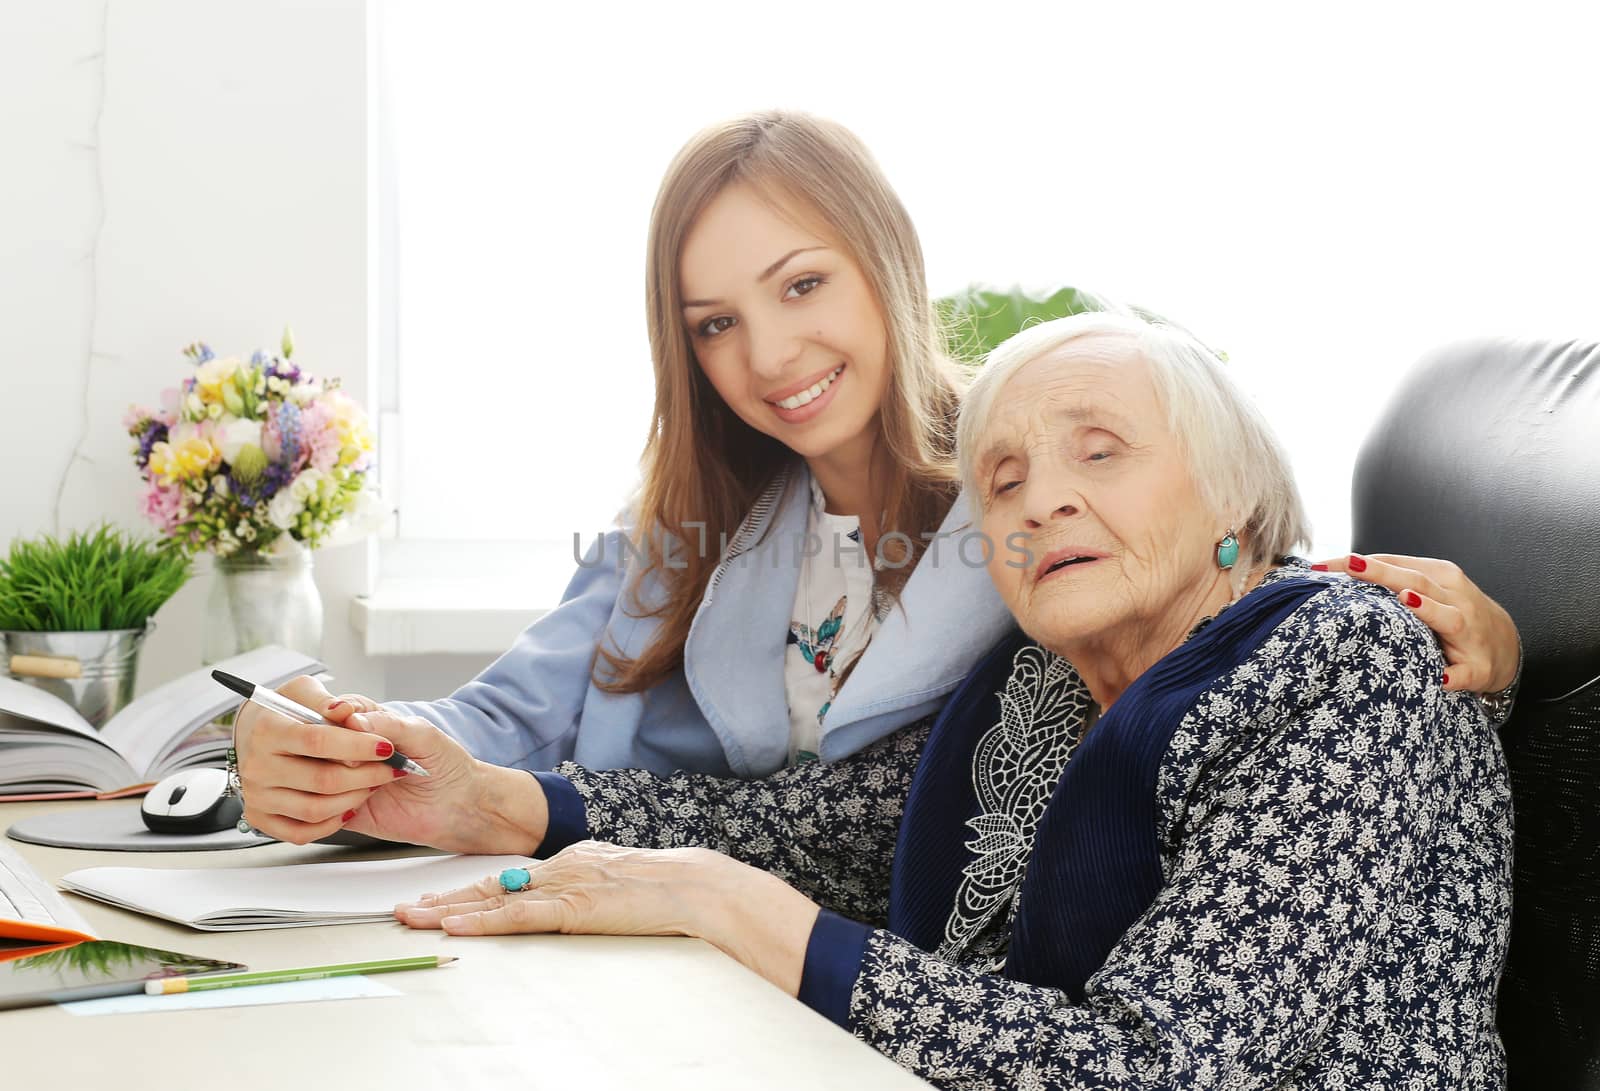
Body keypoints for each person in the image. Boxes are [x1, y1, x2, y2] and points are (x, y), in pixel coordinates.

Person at [233, 111, 1522, 846]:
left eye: (802, 286)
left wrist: (1494, 644)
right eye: (714, 322)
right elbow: (499, 717)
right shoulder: (686, 523)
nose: (770, 354)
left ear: (886, 265)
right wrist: (308, 722)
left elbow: (1223, 604)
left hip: (900, 990)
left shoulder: (1027, 477)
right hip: (642, 940)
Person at [380, 311, 1513, 1089]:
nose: (1041, 501)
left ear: (1236, 490)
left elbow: (1161, 1065)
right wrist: (489, 803)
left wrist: (735, 908)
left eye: (1100, 452)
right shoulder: (1041, 683)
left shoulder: (1342, 656)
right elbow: (819, 832)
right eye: (1005, 481)